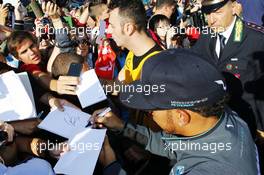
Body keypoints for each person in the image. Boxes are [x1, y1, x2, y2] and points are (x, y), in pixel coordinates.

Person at [92, 49, 260, 175]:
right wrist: (121, 126)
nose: (148, 113)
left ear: (182, 117)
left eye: (151, 111)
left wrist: (111, 167)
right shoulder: (217, 118)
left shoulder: (210, 170)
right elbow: (170, 145)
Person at [192, 0, 264, 138]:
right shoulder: (206, 38)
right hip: (218, 127)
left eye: (217, 13)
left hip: (251, 127)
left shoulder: (257, 40)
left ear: (235, 7)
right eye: (207, 14)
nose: (211, 20)